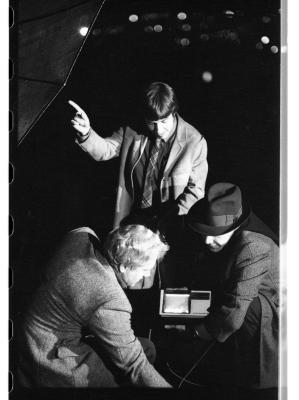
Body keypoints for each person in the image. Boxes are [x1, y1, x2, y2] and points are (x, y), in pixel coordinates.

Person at [17, 225, 172, 387]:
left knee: (147, 348)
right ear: (124, 266)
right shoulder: (109, 297)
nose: (147, 274)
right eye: (145, 269)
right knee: (123, 380)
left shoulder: (82, 234)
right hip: (46, 359)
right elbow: (134, 364)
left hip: (32, 333)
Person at [162, 182, 279, 388]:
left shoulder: (254, 246)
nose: (207, 240)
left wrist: (194, 332)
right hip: (235, 296)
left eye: (215, 234)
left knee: (245, 309)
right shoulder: (221, 234)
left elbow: (234, 313)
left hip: (270, 314)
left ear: (234, 226)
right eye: (205, 231)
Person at [69, 82, 208, 231]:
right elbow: (106, 151)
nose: (159, 129)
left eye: (164, 122)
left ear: (174, 112)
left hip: (168, 223)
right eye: (152, 123)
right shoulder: (132, 129)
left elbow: (195, 191)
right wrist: (86, 133)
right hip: (132, 218)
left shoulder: (194, 141)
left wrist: (172, 219)